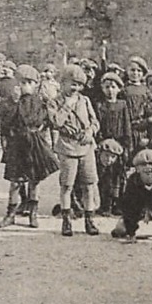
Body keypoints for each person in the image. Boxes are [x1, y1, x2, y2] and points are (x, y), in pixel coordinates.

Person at [0, 64, 59, 228]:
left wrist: (41, 127)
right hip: (17, 144)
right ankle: (10, 214)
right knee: (15, 181)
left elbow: (46, 121)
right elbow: (5, 123)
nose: (24, 86)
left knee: (34, 181)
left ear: (35, 84)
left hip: (34, 144)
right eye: (21, 82)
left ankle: (33, 214)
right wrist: (15, 103)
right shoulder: (11, 103)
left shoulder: (40, 102)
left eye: (28, 82)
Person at [46, 64, 101, 237]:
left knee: (89, 185)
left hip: (86, 146)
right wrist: (68, 106)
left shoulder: (85, 100)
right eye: (71, 83)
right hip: (68, 147)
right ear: (62, 83)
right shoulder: (54, 102)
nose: (75, 88)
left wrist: (91, 131)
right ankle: (66, 220)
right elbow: (56, 122)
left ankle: (89, 219)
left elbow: (95, 121)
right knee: (67, 185)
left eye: (78, 84)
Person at [94, 71, 131, 213]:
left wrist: (126, 146)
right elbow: (97, 125)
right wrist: (101, 142)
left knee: (119, 176)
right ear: (102, 88)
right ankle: (105, 205)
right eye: (107, 87)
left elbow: (126, 126)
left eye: (113, 87)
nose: (110, 90)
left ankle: (118, 204)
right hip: (104, 145)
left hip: (119, 145)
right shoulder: (99, 105)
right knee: (103, 176)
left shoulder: (122, 105)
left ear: (119, 89)